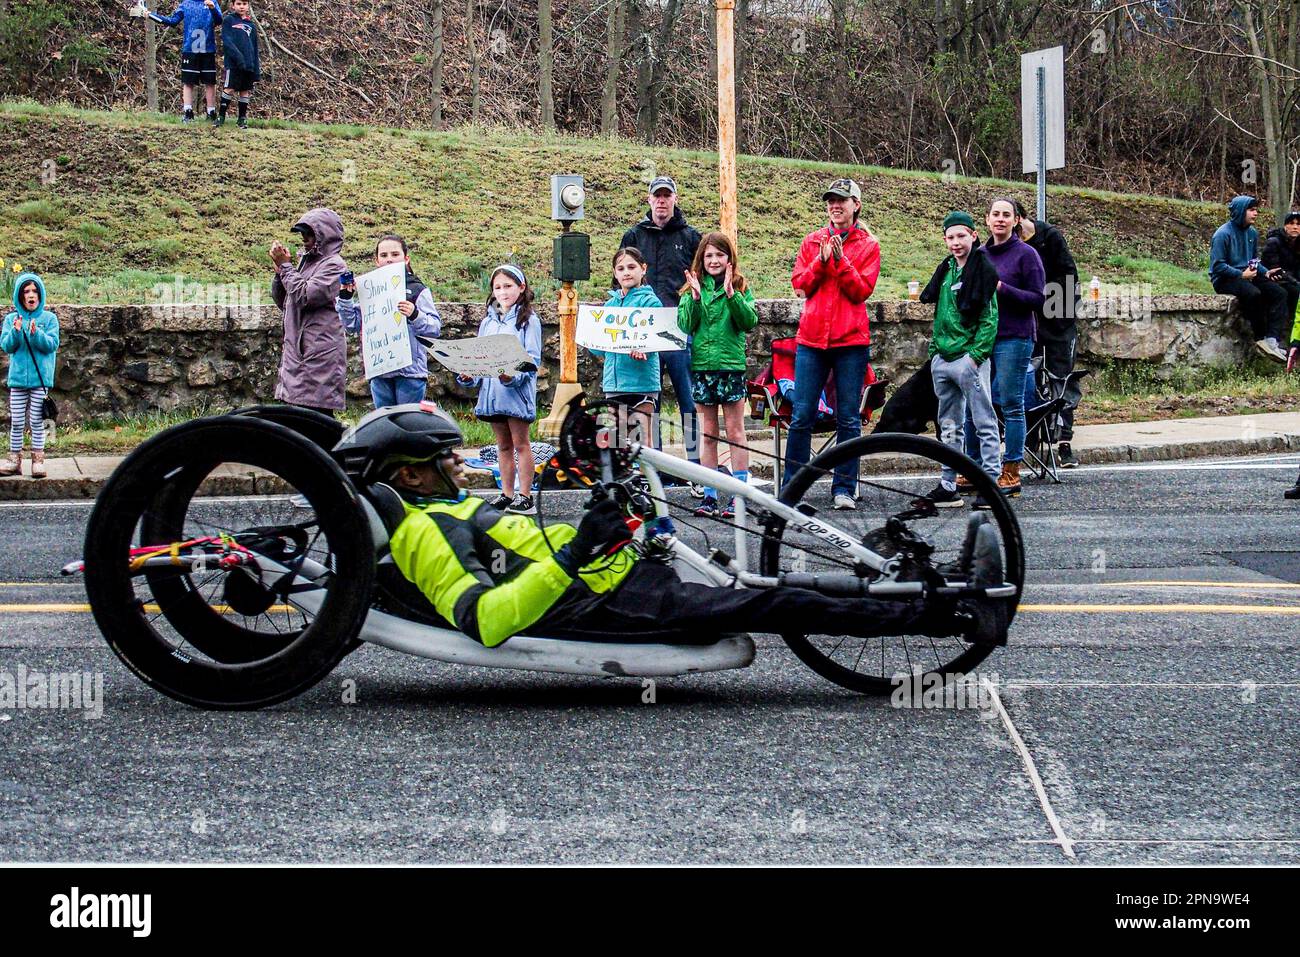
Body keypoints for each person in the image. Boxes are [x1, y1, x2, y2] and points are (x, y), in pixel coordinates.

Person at [333, 405, 1009, 649]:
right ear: (410, 475)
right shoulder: (424, 533)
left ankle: (931, 583)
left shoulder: (445, 507)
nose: (457, 462)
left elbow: (525, 551)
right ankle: (953, 613)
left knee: (756, 573)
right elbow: (485, 619)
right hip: (606, 607)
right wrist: (576, 550)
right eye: (442, 458)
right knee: (771, 599)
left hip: (618, 574)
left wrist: (602, 503)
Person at [787, 177, 881, 510]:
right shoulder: (812, 241)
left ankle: (844, 488)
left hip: (850, 342)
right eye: (830, 201)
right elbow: (800, 285)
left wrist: (840, 262)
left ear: (856, 205)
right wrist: (822, 260)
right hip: (812, 340)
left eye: (842, 200)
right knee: (801, 415)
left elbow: (860, 291)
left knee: (848, 418)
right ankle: (792, 489)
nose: (835, 206)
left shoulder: (869, 244)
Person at [620, 175, 704, 491]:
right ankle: (649, 473)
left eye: (667, 196)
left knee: (688, 403)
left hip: (677, 329)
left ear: (675, 199)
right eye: (657, 196)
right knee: (645, 404)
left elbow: (702, 282)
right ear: (649, 199)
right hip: (643, 332)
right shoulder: (634, 235)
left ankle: (696, 471)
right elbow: (620, 280)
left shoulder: (690, 236)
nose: (661, 201)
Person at [965, 198, 1046, 498]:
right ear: (986, 220)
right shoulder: (979, 255)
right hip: (981, 339)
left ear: (1015, 221)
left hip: (1015, 336)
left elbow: (1038, 299)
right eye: (995, 214)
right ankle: (973, 466)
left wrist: (1002, 288)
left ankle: (1010, 469)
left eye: (1006, 215)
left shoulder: (1027, 255)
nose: (1000, 219)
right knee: (975, 404)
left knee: (1011, 405)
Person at [919, 212, 1001, 510]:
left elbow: (989, 318)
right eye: (951, 237)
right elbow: (940, 313)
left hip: (969, 359)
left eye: (961, 236)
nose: (956, 242)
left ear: (974, 236)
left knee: (983, 420)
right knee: (949, 424)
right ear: (945, 240)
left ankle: (991, 483)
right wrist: (935, 355)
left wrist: (976, 357)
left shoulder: (983, 271)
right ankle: (948, 483)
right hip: (944, 357)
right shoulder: (946, 271)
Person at [677, 231, 758, 518]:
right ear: (701, 258)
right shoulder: (690, 290)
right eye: (709, 255)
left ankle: (739, 494)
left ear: (729, 259)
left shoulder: (739, 286)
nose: (714, 260)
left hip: (730, 367)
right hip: (702, 368)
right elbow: (685, 325)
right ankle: (709, 495)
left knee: (735, 432)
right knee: (708, 434)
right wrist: (696, 297)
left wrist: (732, 295)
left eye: (719, 255)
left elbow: (748, 321)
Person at [455, 264, 542, 515]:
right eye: (497, 287)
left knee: (521, 443)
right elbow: (480, 357)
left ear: (521, 287)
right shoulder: (487, 322)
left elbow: (532, 360)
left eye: (508, 286)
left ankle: (525, 495)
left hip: (515, 392)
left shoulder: (529, 320)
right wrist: (468, 374)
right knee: (502, 446)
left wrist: (511, 376)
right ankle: (507, 493)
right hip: (492, 394)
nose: (502, 292)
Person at [1014, 200, 1084, 469]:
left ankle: (1064, 442)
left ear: (1019, 220)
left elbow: (1069, 275)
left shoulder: (1050, 237)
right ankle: (1031, 438)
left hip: (1057, 320)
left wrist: (1061, 321)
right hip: (1027, 320)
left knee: (1061, 377)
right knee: (1029, 379)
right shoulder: (1004, 238)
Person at [337, 234, 442, 410]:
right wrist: (346, 298)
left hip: (410, 372)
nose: (389, 260)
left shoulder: (418, 289)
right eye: (384, 256)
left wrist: (415, 314)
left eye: (395, 254)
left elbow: (434, 327)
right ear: (376, 260)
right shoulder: (370, 289)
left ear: (406, 258)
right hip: (380, 370)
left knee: (408, 423)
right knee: (385, 423)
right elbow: (352, 324)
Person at [270, 208, 349, 417]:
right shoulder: (306, 263)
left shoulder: (335, 266)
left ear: (325, 234)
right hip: (299, 355)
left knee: (316, 421)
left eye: (309, 234)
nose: (304, 239)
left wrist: (287, 268)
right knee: (297, 422)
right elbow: (286, 302)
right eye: (302, 234)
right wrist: (281, 273)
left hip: (318, 357)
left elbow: (306, 296)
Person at [585, 248, 662, 455]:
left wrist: (643, 347)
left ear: (643, 269)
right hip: (614, 383)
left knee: (644, 439)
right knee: (616, 438)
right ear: (614, 273)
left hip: (642, 382)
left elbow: (656, 338)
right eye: (621, 268)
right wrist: (588, 333)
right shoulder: (609, 305)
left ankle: (647, 482)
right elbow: (598, 348)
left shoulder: (651, 302)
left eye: (631, 267)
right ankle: (622, 482)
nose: (626, 272)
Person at [1209, 195, 1289, 363]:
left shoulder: (1252, 233)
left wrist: (1266, 273)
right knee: (1254, 295)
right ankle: (1260, 339)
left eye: (1256, 210)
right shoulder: (1222, 234)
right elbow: (1217, 267)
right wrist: (1241, 275)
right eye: (1251, 210)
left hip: (1247, 275)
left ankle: (1271, 340)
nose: (1256, 213)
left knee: (1279, 292)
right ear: (1240, 211)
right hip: (1225, 279)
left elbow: (1253, 260)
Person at [0, 274, 58, 479]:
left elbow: (52, 345)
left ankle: (37, 461)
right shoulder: (11, 319)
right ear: (19, 295)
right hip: (17, 381)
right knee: (16, 421)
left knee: (36, 421)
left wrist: (36, 335)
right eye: (26, 291)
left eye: (35, 291)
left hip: (39, 380)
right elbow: (7, 346)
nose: (31, 295)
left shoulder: (49, 319)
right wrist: (16, 332)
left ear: (40, 294)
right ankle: (14, 460)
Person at [133, 0, 223, 125]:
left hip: (208, 49)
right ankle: (188, 112)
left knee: (210, 81)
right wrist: (151, 15)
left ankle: (211, 112)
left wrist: (213, 8)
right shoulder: (186, 3)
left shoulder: (212, 2)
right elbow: (173, 21)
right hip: (189, 49)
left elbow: (219, 21)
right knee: (188, 81)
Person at [217, 0, 259, 129]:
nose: (242, 7)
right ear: (233, 5)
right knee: (229, 88)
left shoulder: (251, 25)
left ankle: (242, 118)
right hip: (234, 63)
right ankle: (221, 116)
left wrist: (255, 69)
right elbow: (227, 41)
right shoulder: (229, 20)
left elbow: (254, 48)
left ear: (248, 6)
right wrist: (238, 57)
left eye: (244, 4)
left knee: (245, 91)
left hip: (249, 63)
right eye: (239, 4)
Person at [1260, 210, 1300, 337]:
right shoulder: (1274, 242)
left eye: (1299, 224)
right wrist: (1296, 281)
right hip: (1272, 280)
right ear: (1285, 226)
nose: (1295, 227)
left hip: (1291, 280)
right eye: (1291, 223)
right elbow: (1275, 269)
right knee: (1294, 291)